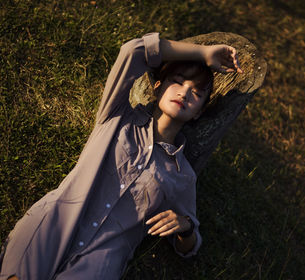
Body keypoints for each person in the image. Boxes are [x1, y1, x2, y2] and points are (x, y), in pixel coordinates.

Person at [0, 32, 242, 280]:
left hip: (101, 261)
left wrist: (186, 227)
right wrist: (202, 53)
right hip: (53, 225)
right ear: (158, 88)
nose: (184, 93)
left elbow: (189, 249)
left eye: (197, 93)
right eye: (178, 81)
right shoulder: (116, 116)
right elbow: (133, 51)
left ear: (198, 114)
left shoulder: (182, 175)